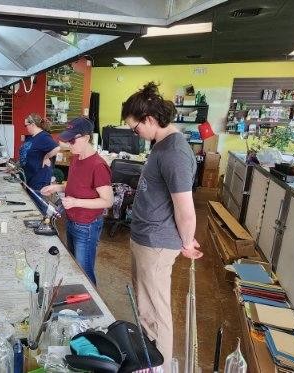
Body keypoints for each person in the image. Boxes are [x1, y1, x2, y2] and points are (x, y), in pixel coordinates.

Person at [121, 81, 202, 369]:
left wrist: (187, 242)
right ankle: (148, 360)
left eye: (135, 127)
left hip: (156, 244)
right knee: (145, 309)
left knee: (157, 312)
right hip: (145, 239)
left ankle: (160, 365)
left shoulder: (174, 153)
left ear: (150, 120)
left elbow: (185, 209)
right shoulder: (161, 145)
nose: (136, 133)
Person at [40, 117, 112, 284]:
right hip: (72, 221)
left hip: (86, 226)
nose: (69, 144)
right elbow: (76, 185)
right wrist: (57, 188)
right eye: (67, 140)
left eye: (72, 140)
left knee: (84, 272)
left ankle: (91, 308)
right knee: (74, 267)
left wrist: (75, 202)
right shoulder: (76, 158)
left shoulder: (98, 166)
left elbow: (108, 200)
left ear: (86, 138)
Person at [19, 113, 60, 192]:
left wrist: (46, 157)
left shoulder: (43, 136)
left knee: (36, 203)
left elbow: (57, 148)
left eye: (26, 125)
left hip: (39, 178)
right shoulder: (32, 137)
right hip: (30, 176)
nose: (26, 128)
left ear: (33, 124)